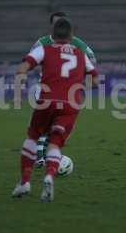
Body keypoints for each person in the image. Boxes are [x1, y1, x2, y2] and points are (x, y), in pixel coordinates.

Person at [12, 18, 98, 202]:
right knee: (55, 142)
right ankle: (49, 176)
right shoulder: (80, 53)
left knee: (33, 137)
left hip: (47, 100)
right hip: (71, 103)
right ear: (71, 35)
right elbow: (95, 80)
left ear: (53, 34)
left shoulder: (44, 48)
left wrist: (20, 87)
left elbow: (23, 67)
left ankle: (24, 182)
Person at [32, 11, 97, 167]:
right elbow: (33, 64)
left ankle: (45, 156)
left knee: (59, 125)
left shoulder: (77, 43)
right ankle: (41, 158)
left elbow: (92, 59)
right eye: (55, 23)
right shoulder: (42, 42)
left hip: (68, 90)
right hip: (46, 87)